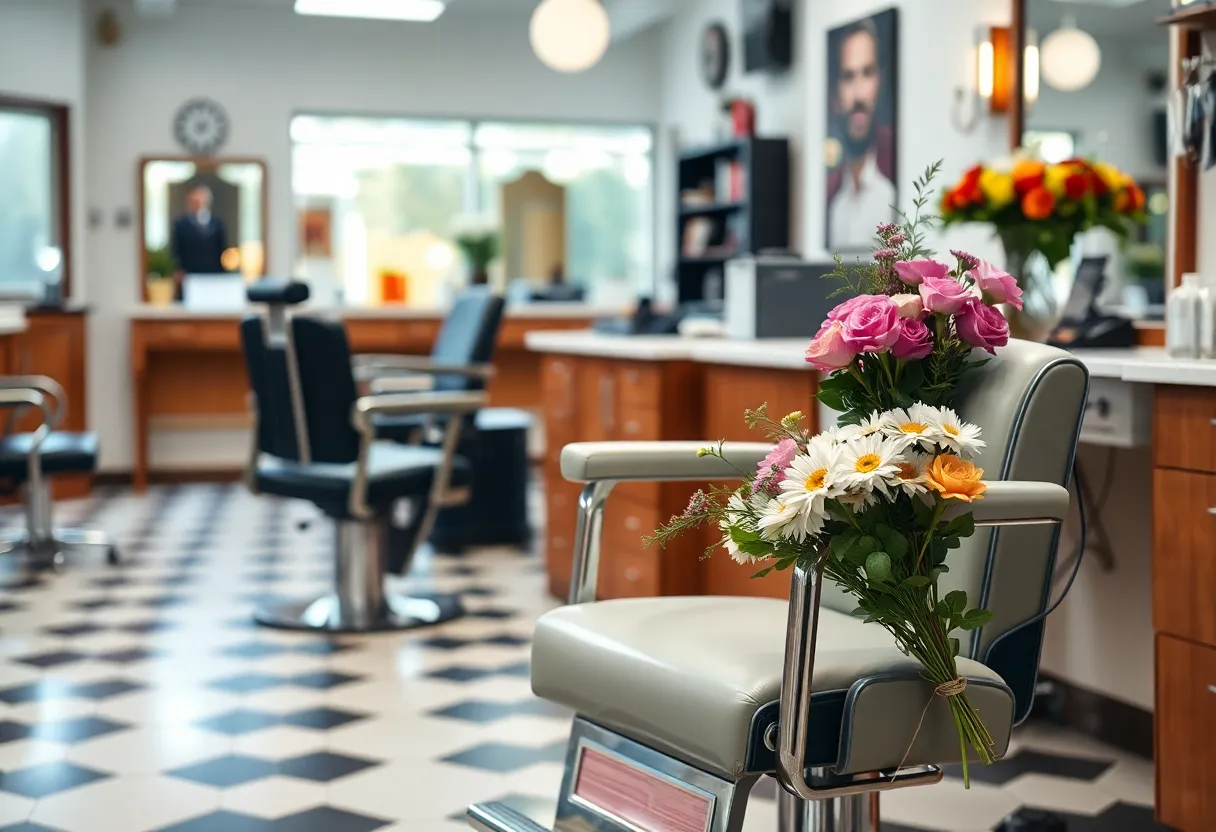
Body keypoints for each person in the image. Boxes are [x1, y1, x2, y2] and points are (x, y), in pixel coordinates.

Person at [826, 18, 897, 250]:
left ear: (880, 80)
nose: (858, 95)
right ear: (836, 92)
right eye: (848, 77)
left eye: (867, 73)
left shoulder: (890, 193)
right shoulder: (835, 205)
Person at [171, 185, 228, 274]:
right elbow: (176, 250)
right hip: (190, 272)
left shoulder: (217, 223)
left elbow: (222, 248)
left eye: (200, 201)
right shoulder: (181, 224)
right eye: (194, 201)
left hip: (213, 272)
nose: (197, 204)